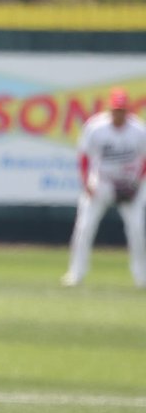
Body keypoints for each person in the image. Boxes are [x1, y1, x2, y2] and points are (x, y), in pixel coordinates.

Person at [62, 87, 146, 288]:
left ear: (128, 110)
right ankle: (76, 273)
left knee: (137, 229)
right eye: (116, 109)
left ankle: (141, 276)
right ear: (110, 108)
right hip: (101, 183)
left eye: (122, 109)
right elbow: (84, 156)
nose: (119, 113)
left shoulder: (138, 130)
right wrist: (86, 183)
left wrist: (137, 183)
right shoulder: (96, 127)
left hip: (129, 184)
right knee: (84, 227)